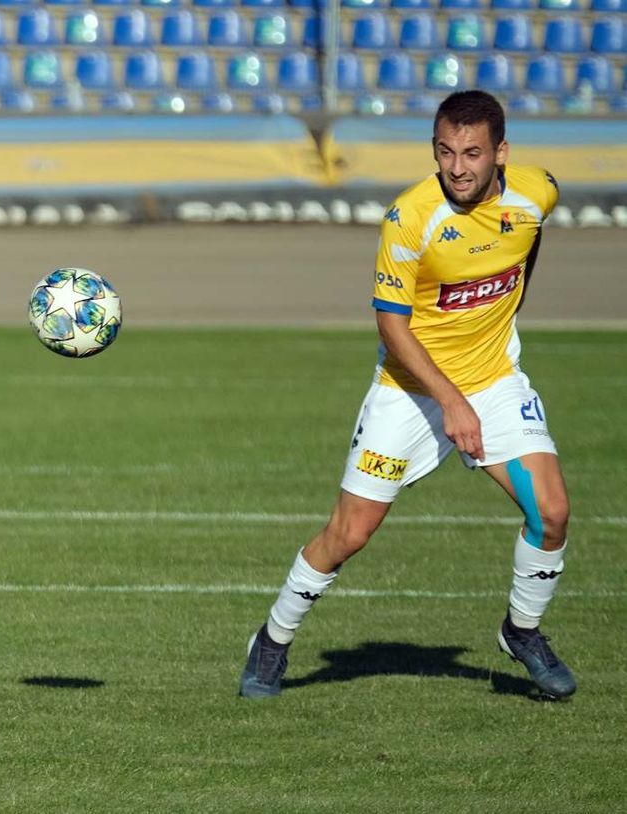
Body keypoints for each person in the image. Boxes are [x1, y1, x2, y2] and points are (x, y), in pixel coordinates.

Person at [239, 90, 575, 700]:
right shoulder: (410, 218)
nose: (458, 168)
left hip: (494, 380)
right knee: (351, 533)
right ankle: (273, 639)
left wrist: (505, 319)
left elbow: (529, 240)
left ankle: (522, 632)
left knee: (550, 513)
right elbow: (392, 326)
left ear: (501, 152)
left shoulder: (537, 191)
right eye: (445, 152)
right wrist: (449, 401)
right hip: (409, 389)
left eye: (473, 153)